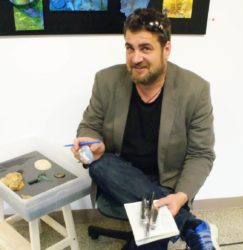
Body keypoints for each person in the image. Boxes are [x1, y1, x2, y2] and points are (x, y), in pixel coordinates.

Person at [71, 8, 220, 250]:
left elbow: (201, 154)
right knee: (100, 163)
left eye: (145, 48)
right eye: (130, 48)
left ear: (166, 49)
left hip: (167, 183)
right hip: (120, 178)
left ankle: (174, 219)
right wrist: (89, 141)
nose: (135, 57)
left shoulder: (195, 90)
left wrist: (181, 196)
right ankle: (189, 225)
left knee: (154, 228)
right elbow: (90, 124)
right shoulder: (106, 80)